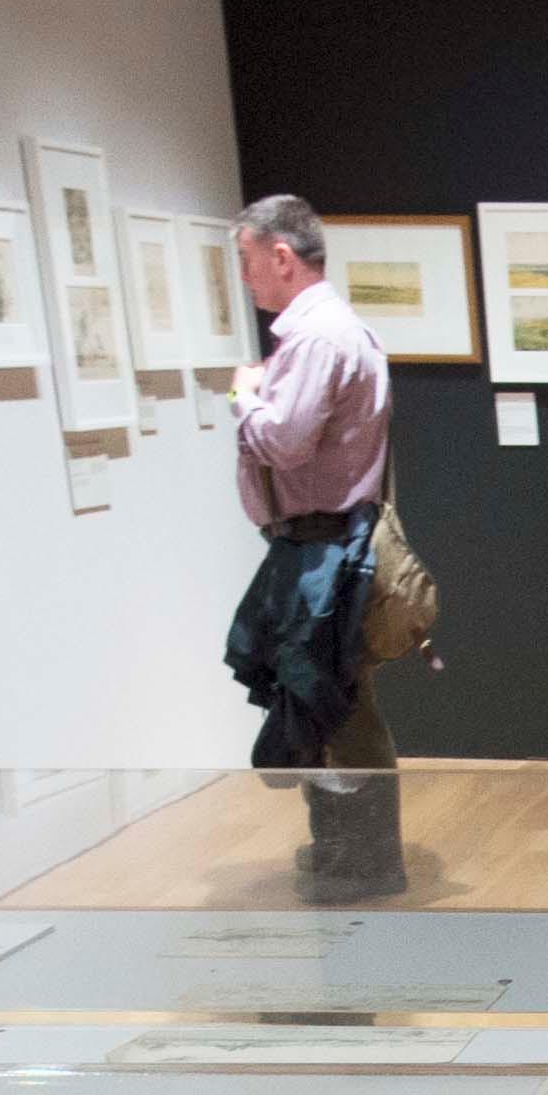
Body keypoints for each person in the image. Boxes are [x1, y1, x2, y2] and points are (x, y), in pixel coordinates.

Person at [222, 190, 405, 899]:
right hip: (321, 546)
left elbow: (284, 442)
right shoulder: (327, 333)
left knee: (340, 704)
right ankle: (340, 850)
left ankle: (366, 862)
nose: (244, 277)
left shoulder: (319, 338)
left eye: (246, 260)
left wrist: (243, 396)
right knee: (321, 697)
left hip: (325, 549)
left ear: (281, 255)